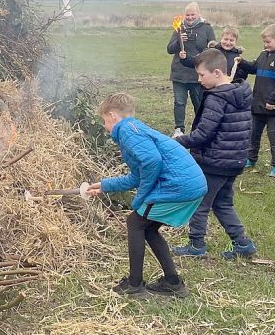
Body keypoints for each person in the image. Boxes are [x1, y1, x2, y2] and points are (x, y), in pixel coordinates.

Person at [86, 93, 207, 298]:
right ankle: (173, 283)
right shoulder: (135, 128)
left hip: (178, 186)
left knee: (135, 222)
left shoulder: (126, 131)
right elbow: (137, 175)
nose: (105, 127)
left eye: (105, 121)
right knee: (148, 228)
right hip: (191, 183)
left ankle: (135, 285)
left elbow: (152, 162)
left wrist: (141, 197)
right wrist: (104, 185)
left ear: (113, 116)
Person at [170, 49, 257, 259]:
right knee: (222, 202)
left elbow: (203, 134)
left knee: (200, 202)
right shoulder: (241, 93)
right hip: (234, 159)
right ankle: (243, 244)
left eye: (202, 75)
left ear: (217, 72)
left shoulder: (217, 98)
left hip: (215, 161)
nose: (199, 80)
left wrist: (177, 142)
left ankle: (196, 245)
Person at [237, 24, 275, 178]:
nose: (265, 45)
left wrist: (273, 100)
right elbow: (254, 68)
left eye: (268, 42)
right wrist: (242, 62)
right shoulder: (264, 54)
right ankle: (251, 159)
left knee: (274, 136)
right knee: (253, 134)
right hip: (258, 104)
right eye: (264, 42)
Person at [167, 2, 217, 135]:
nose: (189, 17)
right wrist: (178, 41)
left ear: (198, 14)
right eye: (187, 15)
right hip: (179, 73)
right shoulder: (179, 28)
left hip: (198, 74)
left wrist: (203, 54)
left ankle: (200, 129)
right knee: (179, 102)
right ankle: (179, 129)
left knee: (199, 103)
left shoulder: (206, 28)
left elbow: (213, 47)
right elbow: (169, 49)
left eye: (192, 14)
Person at [180, 26, 247, 82]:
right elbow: (196, 62)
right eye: (225, 39)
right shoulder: (211, 51)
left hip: (228, 90)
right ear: (221, 38)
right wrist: (184, 58)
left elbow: (241, 77)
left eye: (231, 40)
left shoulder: (237, 57)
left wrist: (242, 72)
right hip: (210, 88)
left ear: (236, 42)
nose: (228, 42)